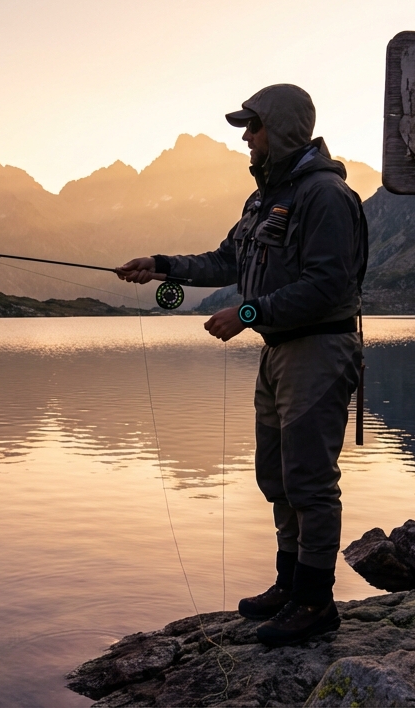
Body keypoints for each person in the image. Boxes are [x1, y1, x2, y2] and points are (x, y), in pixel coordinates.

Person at [116, 84, 367, 646]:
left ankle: (314, 601)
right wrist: (160, 265)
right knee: (276, 476)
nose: (246, 141)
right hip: (280, 353)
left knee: (310, 481)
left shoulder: (325, 195)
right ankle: (289, 583)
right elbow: (227, 258)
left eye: (252, 129)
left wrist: (249, 311)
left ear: (279, 131)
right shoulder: (264, 200)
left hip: (319, 351)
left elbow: (329, 285)